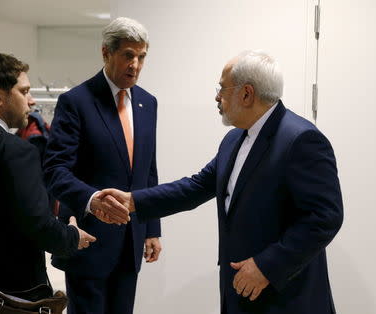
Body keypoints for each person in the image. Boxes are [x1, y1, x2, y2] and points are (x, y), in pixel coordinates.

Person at [98, 50, 344, 314]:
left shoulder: (301, 139)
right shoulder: (234, 139)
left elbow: (325, 217)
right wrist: (133, 201)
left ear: (247, 93)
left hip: (287, 298)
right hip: (239, 294)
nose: (217, 97)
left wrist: (266, 266)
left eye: (222, 89)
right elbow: (196, 187)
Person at [42, 17, 162, 314]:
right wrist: (92, 199)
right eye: (128, 55)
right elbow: (55, 170)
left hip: (131, 242)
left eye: (141, 56)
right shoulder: (76, 101)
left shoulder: (148, 103)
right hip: (88, 240)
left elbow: (147, 170)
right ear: (106, 53)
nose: (135, 64)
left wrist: (152, 229)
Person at [0, 53, 96, 292]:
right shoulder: (16, 150)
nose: (32, 101)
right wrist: (72, 237)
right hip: (6, 293)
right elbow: (38, 224)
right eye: (24, 91)